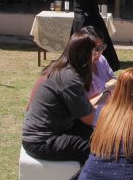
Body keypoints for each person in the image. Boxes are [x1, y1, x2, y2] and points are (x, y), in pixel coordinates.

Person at [22, 29, 97, 163]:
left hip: (39, 135)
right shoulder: (69, 78)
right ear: (85, 54)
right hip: (42, 141)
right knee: (100, 146)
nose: (97, 56)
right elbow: (89, 118)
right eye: (95, 50)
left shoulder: (57, 68)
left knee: (92, 133)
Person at [82, 26, 116, 106]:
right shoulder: (78, 70)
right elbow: (84, 107)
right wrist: (107, 91)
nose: (100, 52)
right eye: (96, 49)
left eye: (101, 47)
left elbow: (113, 79)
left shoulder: (101, 59)